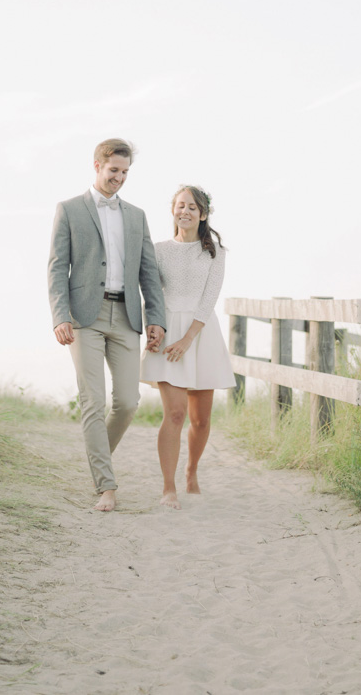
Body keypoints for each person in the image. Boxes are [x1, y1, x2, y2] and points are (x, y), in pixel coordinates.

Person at [48, 138, 167, 512]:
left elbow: (149, 272)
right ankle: (107, 486)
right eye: (114, 170)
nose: (119, 178)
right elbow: (56, 267)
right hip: (84, 317)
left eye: (125, 172)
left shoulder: (136, 216)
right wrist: (60, 315)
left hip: (127, 316)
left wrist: (156, 320)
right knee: (93, 402)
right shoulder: (68, 210)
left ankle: (98, 461)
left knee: (128, 401)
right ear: (97, 165)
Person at [140, 185, 235, 508]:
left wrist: (187, 339)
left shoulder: (215, 253)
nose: (185, 211)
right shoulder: (158, 249)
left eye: (192, 207)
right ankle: (169, 488)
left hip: (200, 333)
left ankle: (191, 470)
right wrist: (155, 328)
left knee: (201, 420)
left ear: (203, 214)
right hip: (167, 332)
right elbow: (151, 291)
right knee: (176, 414)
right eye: (180, 206)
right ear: (172, 211)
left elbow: (209, 300)